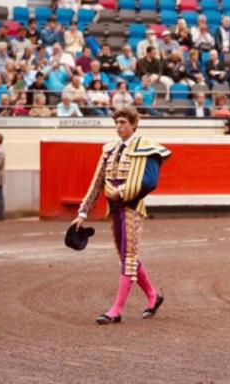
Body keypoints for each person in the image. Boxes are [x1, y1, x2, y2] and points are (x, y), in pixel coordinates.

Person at [71, 108, 170, 325]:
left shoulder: (147, 147)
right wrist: (82, 212)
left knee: (128, 257)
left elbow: (150, 181)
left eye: (123, 122)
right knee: (127, 256)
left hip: (132, 208)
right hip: (114, 209)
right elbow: (97, 182)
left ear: (135, 124)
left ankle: (116, 310)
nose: (119, 126)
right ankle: (154, 295)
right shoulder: (109, 149)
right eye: (116, 122)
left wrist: (122, 192)